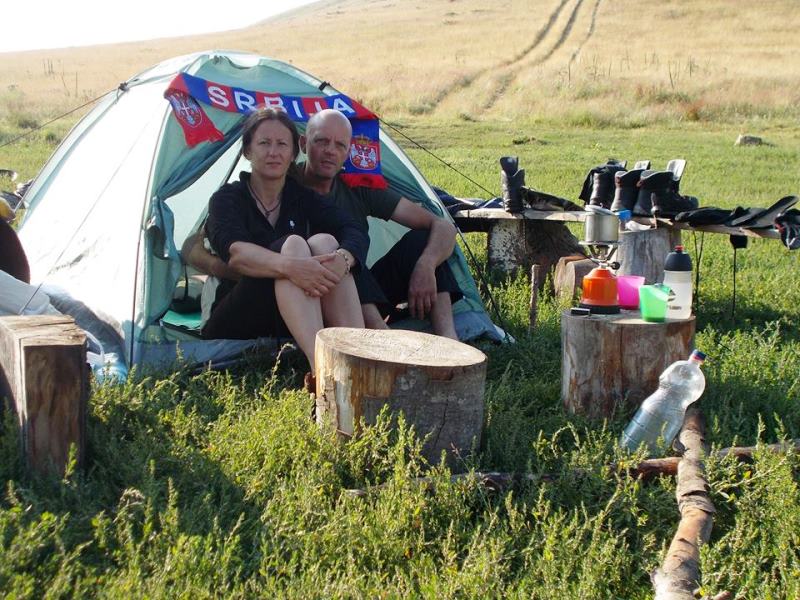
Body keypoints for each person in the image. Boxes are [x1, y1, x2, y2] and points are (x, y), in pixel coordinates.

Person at [198, 108, 367, 370]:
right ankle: (321, 368)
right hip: (237, 315)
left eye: (282, 144)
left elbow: (353, 228)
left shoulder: (300, 197)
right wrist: (291, 266)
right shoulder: (227, 199)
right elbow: (236, 254)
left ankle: (358, 359)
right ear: (248, 151)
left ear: (293, 154)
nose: (273, 152)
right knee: (294, 244)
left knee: (325, 243)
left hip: (291, 315)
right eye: (264, 143)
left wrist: (342, 260)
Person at [298, 109, 461, 339]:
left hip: (364, 293)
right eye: (321, 141)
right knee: (342, 254)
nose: (330, 151)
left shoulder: (356, 186)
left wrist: (426, 265)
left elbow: (443, 226)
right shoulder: (286, 186)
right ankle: (383, 338)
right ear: (303, 144)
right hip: (313, 296)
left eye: (340, 145)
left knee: (423, 241)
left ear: (348, 152)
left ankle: (448, 339)